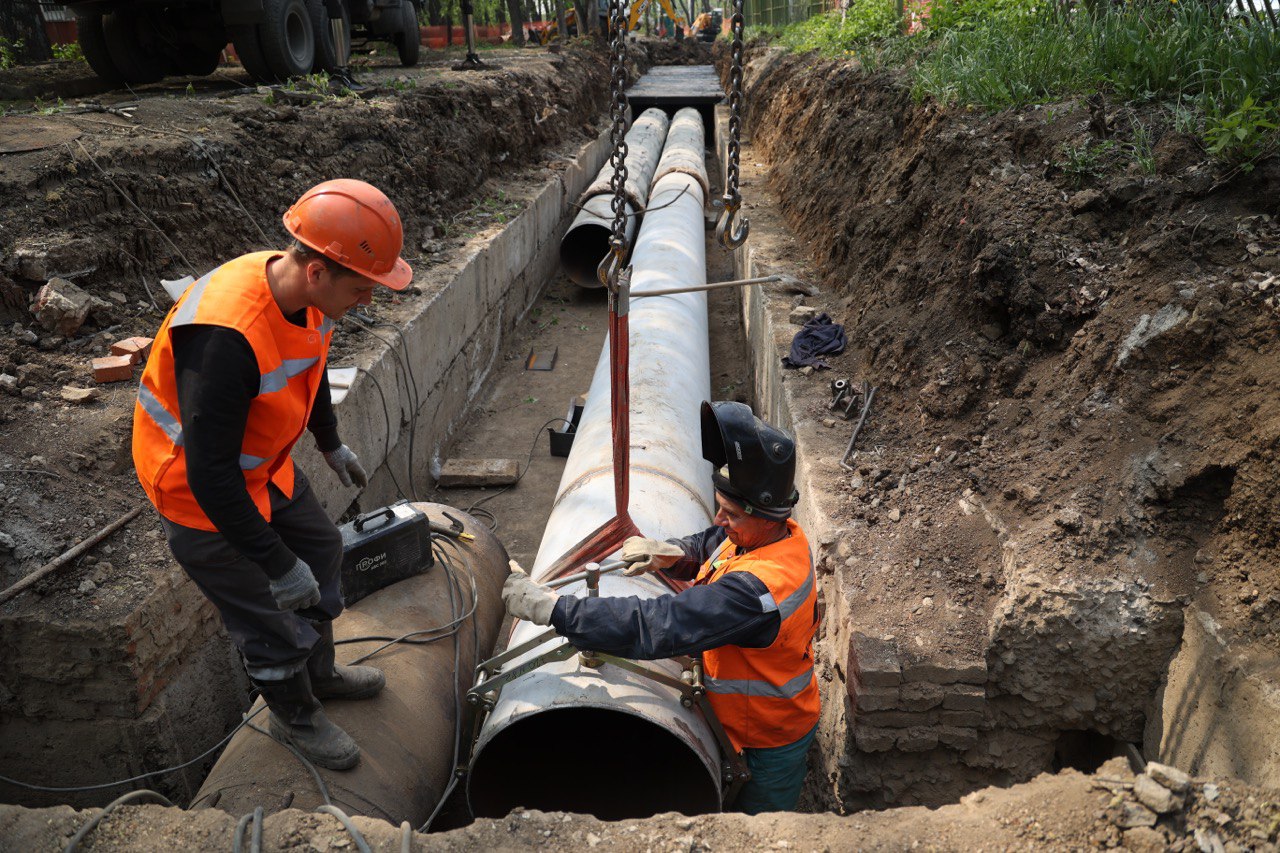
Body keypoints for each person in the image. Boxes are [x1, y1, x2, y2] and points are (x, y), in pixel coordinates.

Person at [132, 179, 414, 771]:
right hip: (199, 494)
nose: (367, 300)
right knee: (266, 613)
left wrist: (331, 443)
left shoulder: (309, 300)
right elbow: (210, 475)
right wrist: (274, 563)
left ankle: (322, 673)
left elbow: (308, 368)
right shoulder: (223, 337)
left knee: (323, 548)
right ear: (319, 271)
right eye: (362, 288)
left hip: (262, 468)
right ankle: (296, 716)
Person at [503, 401, 819, 813]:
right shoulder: (767, 534)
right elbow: (713, 542)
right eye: (718, 509)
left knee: (760, 834)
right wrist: (671, 553)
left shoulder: (759, 592)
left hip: (767, 737)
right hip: (741, 720)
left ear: (766, 515)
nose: (720, 521)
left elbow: (660, 625)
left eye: (731, 514)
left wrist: (556, 611)